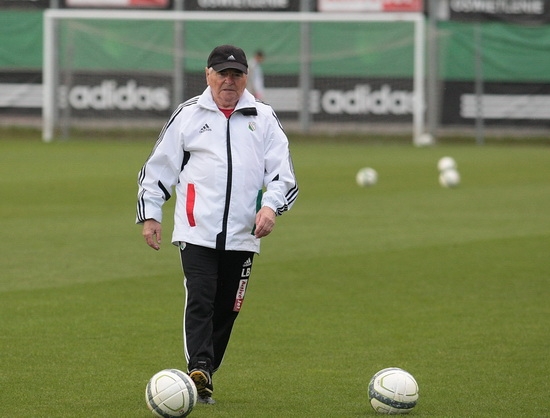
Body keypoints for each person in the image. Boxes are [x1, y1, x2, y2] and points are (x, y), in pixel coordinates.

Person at [136, 44, 298, 405]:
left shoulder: (264, 117)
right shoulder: (188, 115)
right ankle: (200, 368)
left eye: (236, 74)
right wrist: (150, 214)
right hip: (196, 230)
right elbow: (159, 168)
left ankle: (206, 371)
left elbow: (284, 177)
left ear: (246, 78)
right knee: (201, 299)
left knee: (228, 308)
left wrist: (271, 208)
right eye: (222, 73)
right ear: (207, 75)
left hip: (245, 234)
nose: (229, 80)